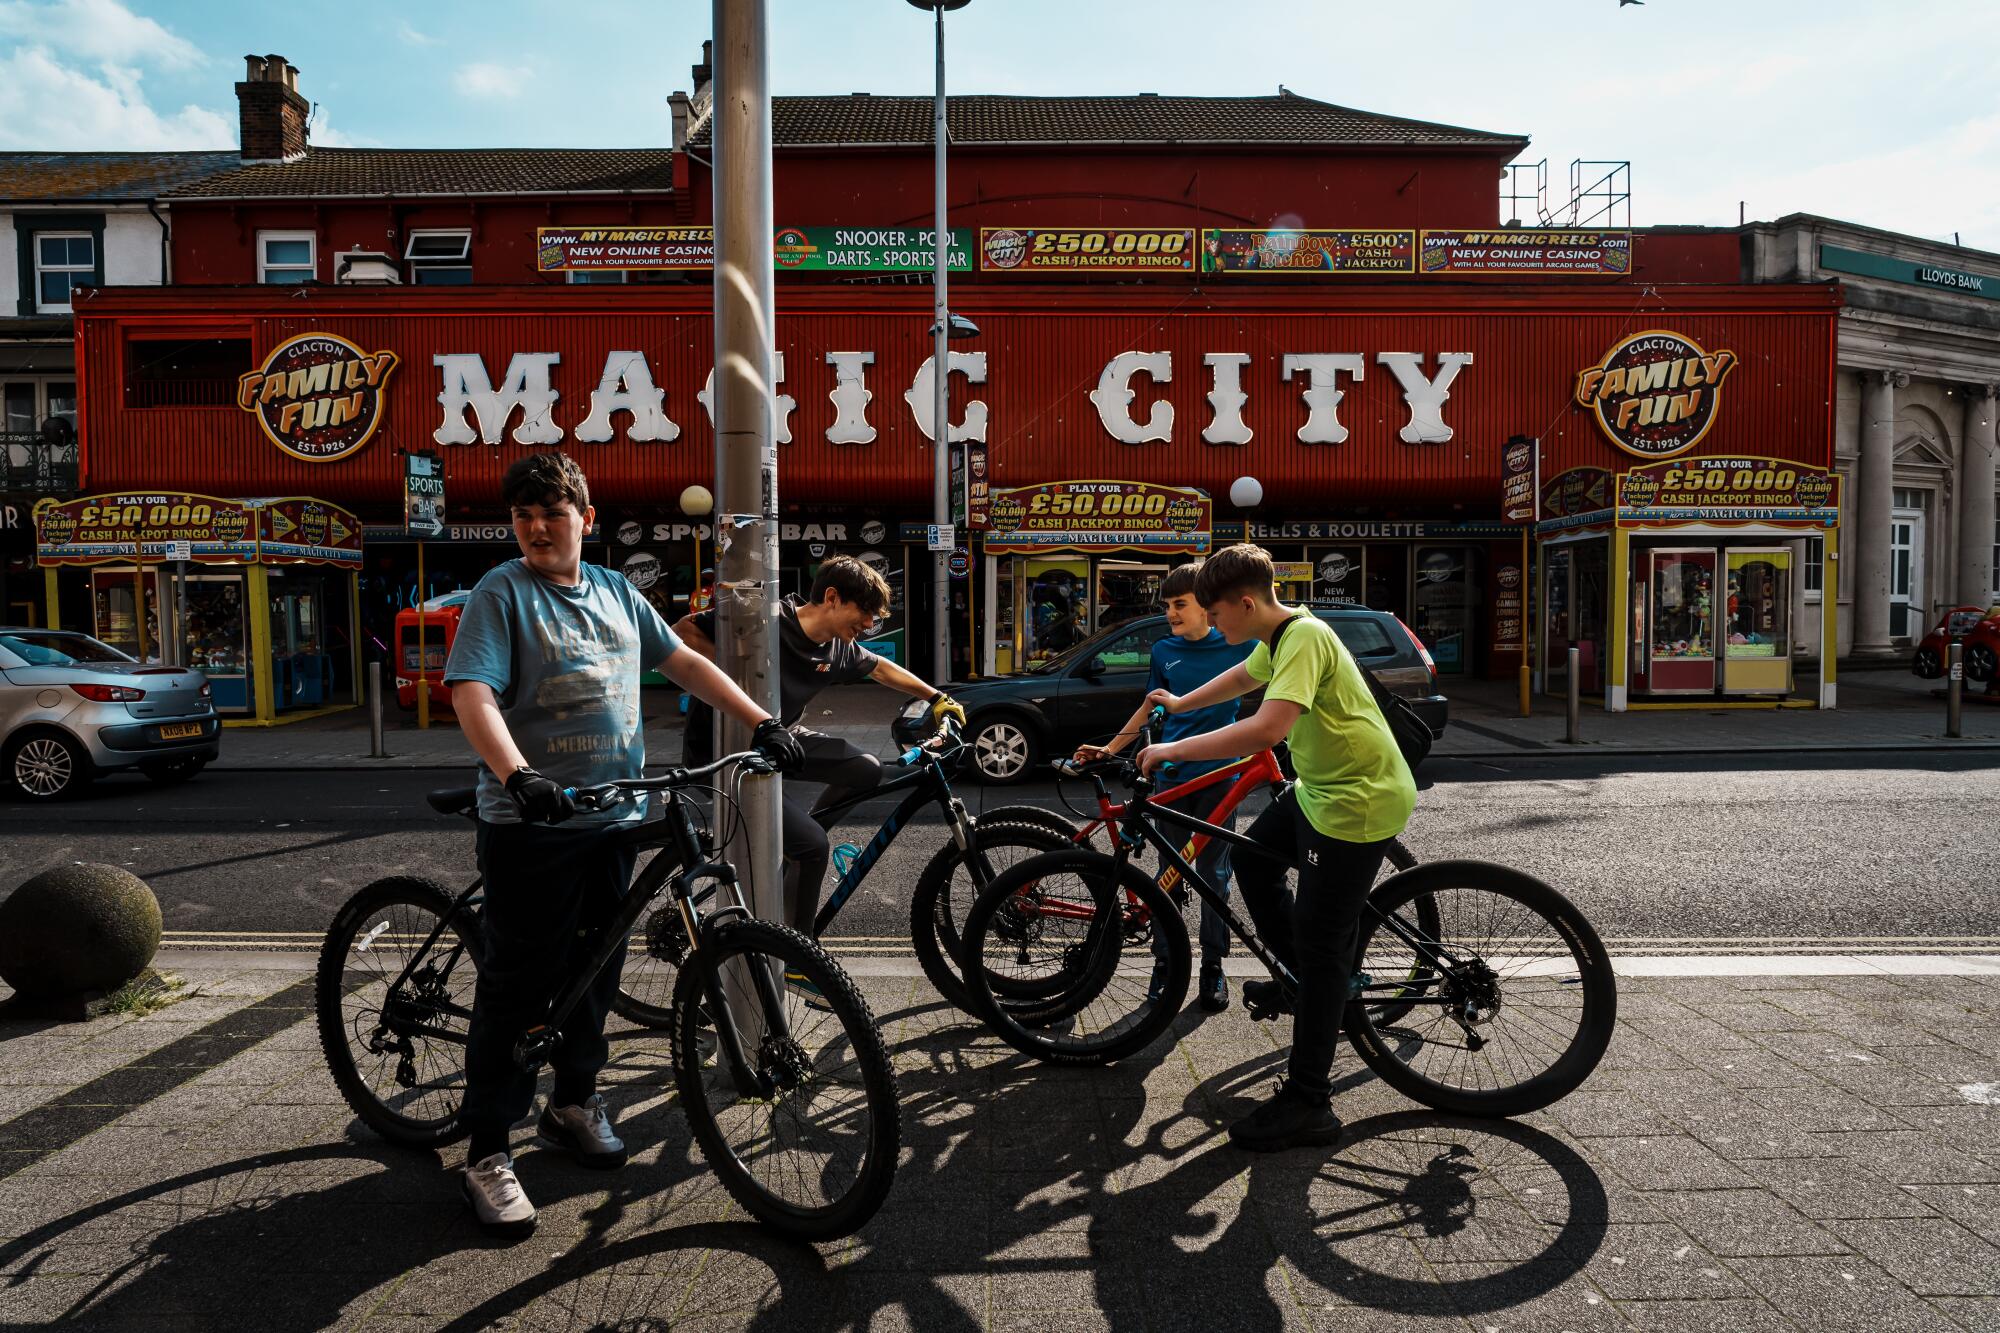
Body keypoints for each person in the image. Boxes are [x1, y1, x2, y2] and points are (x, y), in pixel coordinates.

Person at [442, 452, 802, 1240]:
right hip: (532, 825)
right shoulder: (501, 594)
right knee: (517, 984)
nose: (539, 526)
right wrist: (518, 774)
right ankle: (487, 1150)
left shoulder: (613, 591)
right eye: (525, 514)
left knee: (595, 972)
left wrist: (761, 721)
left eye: (555, 511)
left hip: (611, 819)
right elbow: (471, 692)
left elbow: (684, 661)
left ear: (586, 519)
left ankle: (573, 1100)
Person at [1136, 543, 1415, 1153]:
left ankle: (1310, 1100)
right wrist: (1181, 704)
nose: (1215, 625)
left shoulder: (1305, 638)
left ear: (1245, 602)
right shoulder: (1280, 638)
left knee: (1323, 951)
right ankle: (1304, 983)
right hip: (1320, 791)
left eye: (1217, 614)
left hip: (1356, 802)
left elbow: (1267, 728)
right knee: (1254, 860)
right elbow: (1243, 677)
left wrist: (1171, 751)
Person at [673, 555, 963, 967]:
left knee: (866, 769)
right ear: (831, 597)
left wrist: (935, 697)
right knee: (813, 846)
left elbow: (880, 668)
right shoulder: (766, 619)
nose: (868, 625)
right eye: (865, 613)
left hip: (783, 738)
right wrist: (737, 676)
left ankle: (793, 849)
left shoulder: (838, 648)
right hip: (726, 753)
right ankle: (798, 955)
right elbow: (682, 631)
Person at [1073, 559, 1253, 1013]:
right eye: (1167, 605)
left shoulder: (1241, 647)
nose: (1171, 613)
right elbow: (1152, 708)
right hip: (1170, 779)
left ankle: (1213, 966)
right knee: (1167, 877)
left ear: (1206, 606)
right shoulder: (1164, 651)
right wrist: (1110, 748)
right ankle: (1167, 962)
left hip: (1219, 778)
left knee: (1214, 877)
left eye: (1179, 604)